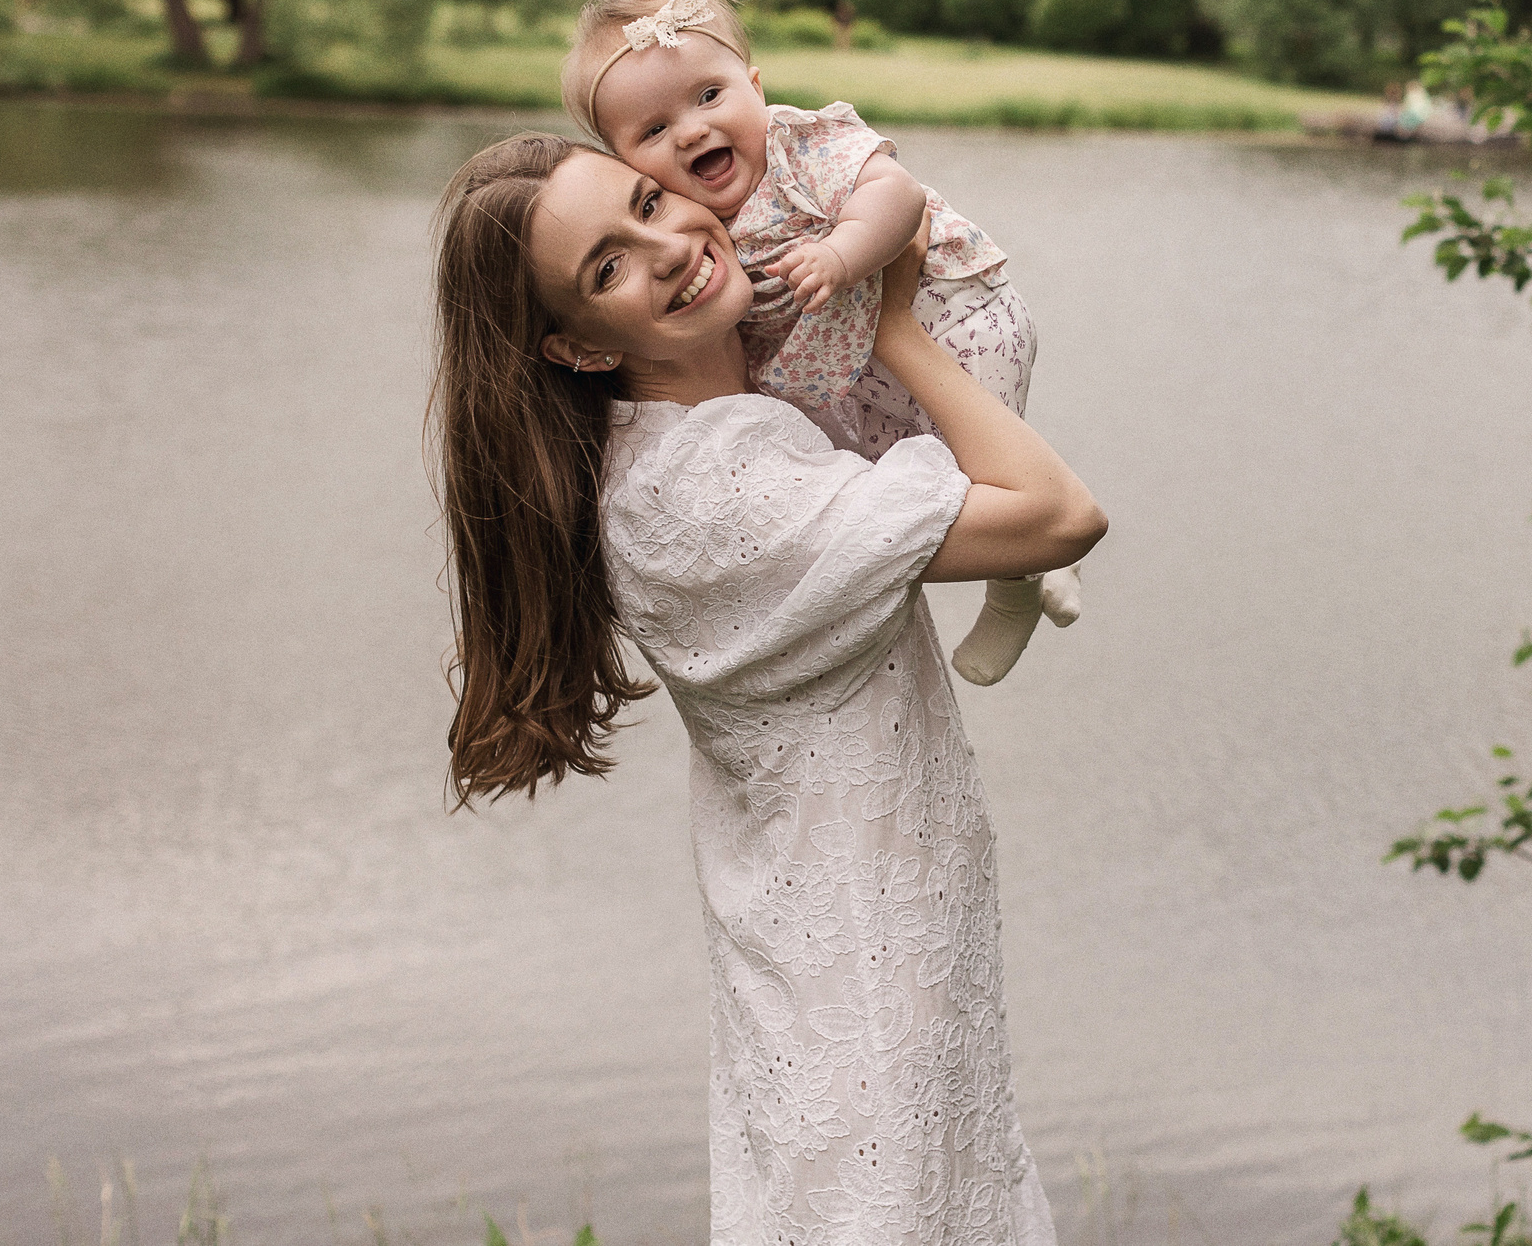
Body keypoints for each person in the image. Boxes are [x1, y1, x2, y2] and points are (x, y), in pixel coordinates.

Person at [430, 132, 1106, 1245]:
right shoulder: (705, 492)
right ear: (577, 347)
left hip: (870, 967)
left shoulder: (723, 429)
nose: (672, 245)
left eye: (650, 201)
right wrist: (890, 321)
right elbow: (1056, 512)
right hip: (860, 991)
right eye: (608, 266)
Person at [564, 0, 1076, 686]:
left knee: (980, 465)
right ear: (627, 164)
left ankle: (1015, 584)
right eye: (652, 130)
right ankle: (1036, 556)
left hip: (954, 319)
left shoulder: (796, 145)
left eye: (710, 95)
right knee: (895, 483)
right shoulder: (687, 221)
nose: (689, 130)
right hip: (858, 364)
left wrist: (842, 253)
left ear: (757, 86)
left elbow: (895, 194)